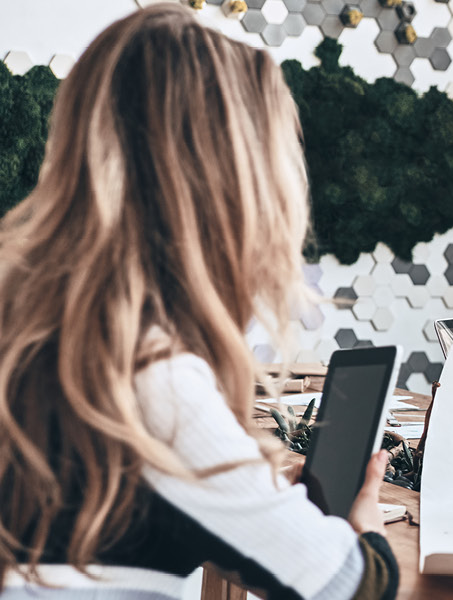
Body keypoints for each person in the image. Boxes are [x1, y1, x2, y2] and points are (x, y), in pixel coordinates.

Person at [0, 6, 397, 599]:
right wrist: (365, 529)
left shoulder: (34, 331)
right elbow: (351, 585)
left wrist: (247, 489)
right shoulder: (146, 376)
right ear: (235, 189)